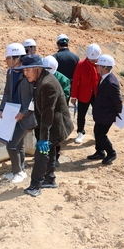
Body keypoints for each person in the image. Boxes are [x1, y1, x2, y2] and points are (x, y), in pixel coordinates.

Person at [18, 56, 74, 197]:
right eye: (24, 70)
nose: (25, 73)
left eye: (28, 70)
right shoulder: (41, 79)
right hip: (53, 123)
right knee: (50, 149)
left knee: (41, 152)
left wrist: (43, 138)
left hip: (54, 124)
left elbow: (47, 114)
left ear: (37, 68)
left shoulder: (47, 84)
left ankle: (35, 185)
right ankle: (49, 179)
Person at [0, 43, 28, 183]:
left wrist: (24, 112)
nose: (6, 61)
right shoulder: (10, 72)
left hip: (25, 115)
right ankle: (20, 169)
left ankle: (18, 172)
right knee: (19, 144)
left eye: (7, 58)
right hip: (12, 113)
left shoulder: (28, 72)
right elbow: (7, 92)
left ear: (16, 58)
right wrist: (2, 108)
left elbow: (33, 98)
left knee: (11, 145)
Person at [88, 54, 122, 165]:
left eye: (98, 66)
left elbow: (117, 100)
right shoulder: (104, 78)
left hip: (107, 114)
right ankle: (100, 151)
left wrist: (118, 114)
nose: (97, 67)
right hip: (101, 113)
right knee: (97, 131)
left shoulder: (111, 83)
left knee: (101, 135)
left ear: (103, 67)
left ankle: (111, 153)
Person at [70, 43, 101, 144]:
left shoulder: (101, 64)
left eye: (95, 59)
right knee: (81, 115)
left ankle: (98, 134)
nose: (93, 61)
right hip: (83, 94)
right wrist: (73, 96)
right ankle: (80, 132)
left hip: (97, 94)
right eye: (92, 59)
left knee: (98, 114)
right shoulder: (80, 64)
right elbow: (75, 81)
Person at [43, 55, 71, 166]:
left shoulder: (63, 80)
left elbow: (66, 95)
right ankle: (44, 155)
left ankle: (55, 157)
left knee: (55, 136)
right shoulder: (39, 77)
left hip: (57, 113)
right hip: (43, 112)